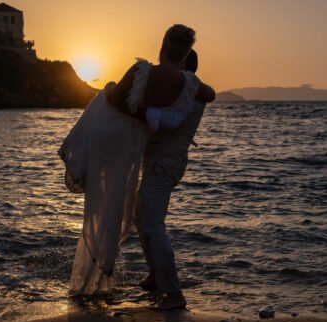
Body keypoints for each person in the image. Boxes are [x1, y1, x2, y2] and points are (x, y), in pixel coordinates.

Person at [58, 24, 214, 300]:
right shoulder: (191, 88)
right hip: (162, 162)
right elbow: (207, 92)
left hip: (165, 164)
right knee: (141, 217)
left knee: (152, 224)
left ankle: (172, 292)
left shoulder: (187, 91)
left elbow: (155, 116)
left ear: (164, 46)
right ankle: (156, 276)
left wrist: (121, 99)